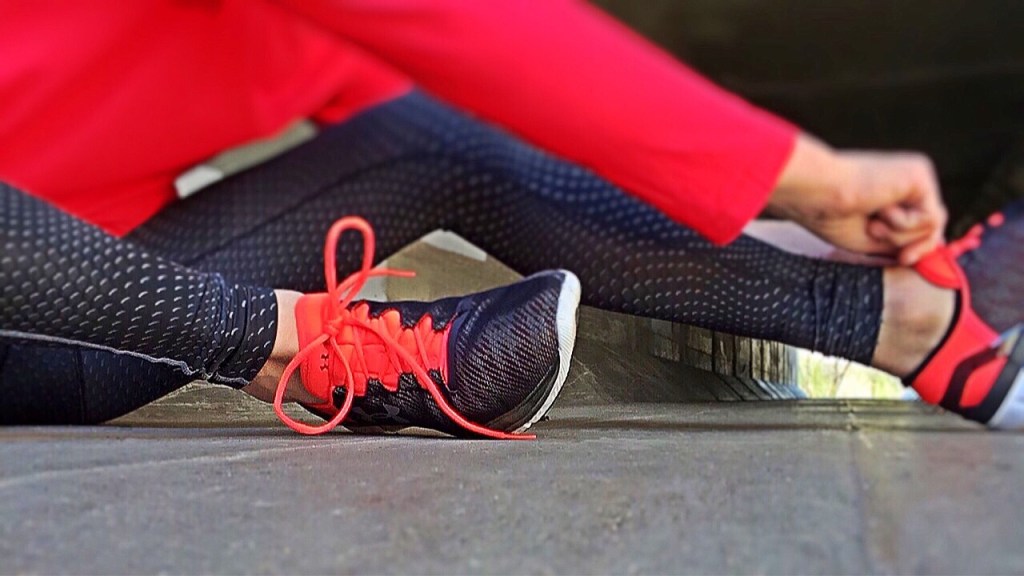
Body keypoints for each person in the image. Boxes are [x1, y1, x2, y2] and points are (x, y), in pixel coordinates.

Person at [1, 1, 1020, 435]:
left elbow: (510, 94)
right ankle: (296, 349)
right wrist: (809, 176)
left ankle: (912, 327)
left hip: (86, 300)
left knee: (446, 139)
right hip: (42, 319)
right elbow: (481, 28)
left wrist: (772, 220)